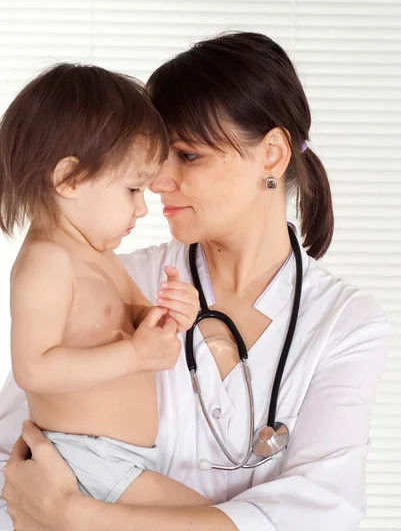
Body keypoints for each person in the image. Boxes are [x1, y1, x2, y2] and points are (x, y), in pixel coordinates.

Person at [1, 32, 392, 531]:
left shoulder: (346, 324)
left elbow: (323, 511)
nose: (160, 183)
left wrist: (79, 516)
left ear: (272, 156)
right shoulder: (111, 274)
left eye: (188, 156)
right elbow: (19, 454)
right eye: (155, 163)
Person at [0, 63, 211, 519]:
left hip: (114, 460)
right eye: (133, 189)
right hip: (83, 459)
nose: (143, 207)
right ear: (69, 179)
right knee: (205, 519)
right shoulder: (47, 261)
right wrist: (135, 356)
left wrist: (173, 312)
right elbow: (33, 369)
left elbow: (134, 319)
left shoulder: (98, 253)